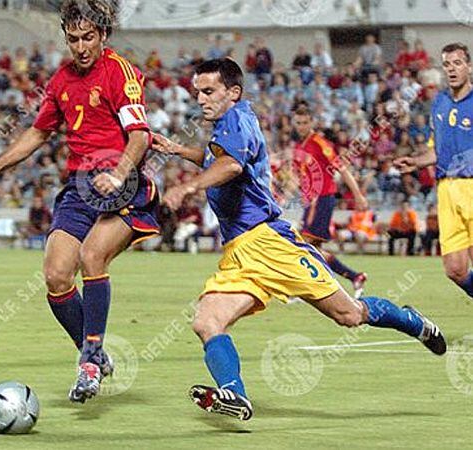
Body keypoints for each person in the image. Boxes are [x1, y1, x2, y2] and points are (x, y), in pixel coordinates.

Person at [153, 58, 444, 422]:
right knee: (207, 321)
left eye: (209, 91)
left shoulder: (237, 120)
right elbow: (222, 159)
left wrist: (186, 186)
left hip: (270, 243)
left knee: (349, 315)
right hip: (240, 251)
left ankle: (412, 321)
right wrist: (180, 151)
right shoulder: (229, 124)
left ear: (233, 92)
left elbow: (231, 166)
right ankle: (235, 393)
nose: (201, 99)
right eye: (197, 92)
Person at [0, 0, 159, 403]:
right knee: (56, 276)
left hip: (123, 186)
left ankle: (89, 364)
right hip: (79, 188)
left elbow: (140, 136)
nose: (80, 47)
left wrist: (120, 173)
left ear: (103, 35)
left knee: (92, 257)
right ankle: (93, 351)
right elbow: (38, 134)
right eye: (73, 39)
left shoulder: (120, 73)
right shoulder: (60, 81)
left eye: (88, 37)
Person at [395, 42, 473, 299]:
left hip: (470, 186)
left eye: (458, 63)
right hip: (446, 190)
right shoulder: (439, 103)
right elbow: (436, 149)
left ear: (469, 67)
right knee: (455, 269)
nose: (452, 69)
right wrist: (415, 162)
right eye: (447, 64)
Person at [291, 104, 369, 297]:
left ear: (311, 122)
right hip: (311, 202)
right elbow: (299, 177)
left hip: (322, 198)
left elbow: (341, 167)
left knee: (302, 243)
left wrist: (357, 194)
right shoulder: (299, 147)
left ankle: (302, 289)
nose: (301, 126)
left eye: (305, 122)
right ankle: (354, 277)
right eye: (298, 123)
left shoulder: (319, 143)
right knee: (314, 250)